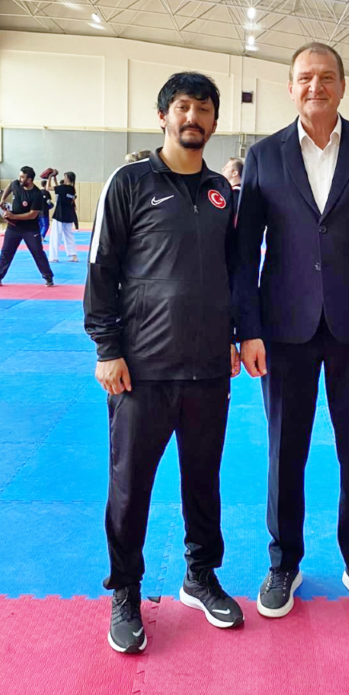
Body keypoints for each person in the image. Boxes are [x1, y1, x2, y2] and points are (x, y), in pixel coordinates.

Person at [235, 41, 349, 623]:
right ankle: (283, 563)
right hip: (282, 329)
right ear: (290, 87)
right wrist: (247, 330)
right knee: (284, 452)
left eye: (327, 77)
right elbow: (245, 251)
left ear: (342, 85)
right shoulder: (264, 155)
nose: (316, 86)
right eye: (305, 77)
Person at [85, 71, 244, 655]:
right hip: (141, 368)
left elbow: (235, 273)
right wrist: (107, 348)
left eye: (203, 108)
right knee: (130, 487)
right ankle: (126, 590)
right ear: (163, 116)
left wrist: (234, 337)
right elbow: (101, 267)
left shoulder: (222, 193)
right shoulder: (129, 182)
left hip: (207, 366)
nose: (192, 117)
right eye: (182, 107)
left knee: (204, 481)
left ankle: (200, 576)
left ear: (214, 122)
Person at [0, 167, 55, 288]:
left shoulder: (37, 194)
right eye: (20, 176)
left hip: (30, 229)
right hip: (13, 227)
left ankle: (48, 276)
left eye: (22, 177)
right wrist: (3, 200)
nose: (20, 179)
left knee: (37, 252)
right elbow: (9, 187)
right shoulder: (16, 184)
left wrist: (13, 216)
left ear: (29, 179)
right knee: (6, 252)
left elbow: (32, 215)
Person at [48, 171, 78, 263]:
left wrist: (49, 177)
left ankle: (54, 257)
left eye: (64, 177)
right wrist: (55, 179)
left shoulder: (62, 188)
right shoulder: (72, 189)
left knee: (55, 235)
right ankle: (73, 255)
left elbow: (48, 188)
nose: (64, 178)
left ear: (67, 178)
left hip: (60, 214)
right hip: (69, 215)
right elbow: (59, 189)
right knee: (68, 235)